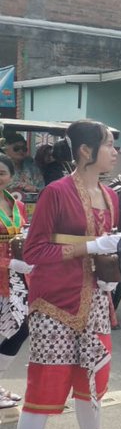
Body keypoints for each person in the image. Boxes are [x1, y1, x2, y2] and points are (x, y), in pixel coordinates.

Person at [4, 120, 121, 429]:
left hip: (96, 303)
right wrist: (90, 246)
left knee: (93, 383)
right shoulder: (56, 193)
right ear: (86, 151)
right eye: (109, 144)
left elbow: (105, 248)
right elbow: (35, 251)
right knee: (44, 390)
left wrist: (107, 265)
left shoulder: (111, 196)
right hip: (54, 304)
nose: (115, 151)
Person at [0, 154, 33, 408]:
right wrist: (9, 263)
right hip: (4, 271)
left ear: (11, 176)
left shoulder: (17, 204)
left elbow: (22, 235)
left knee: (22, 328)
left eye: (2, 172)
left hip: (18, 279)